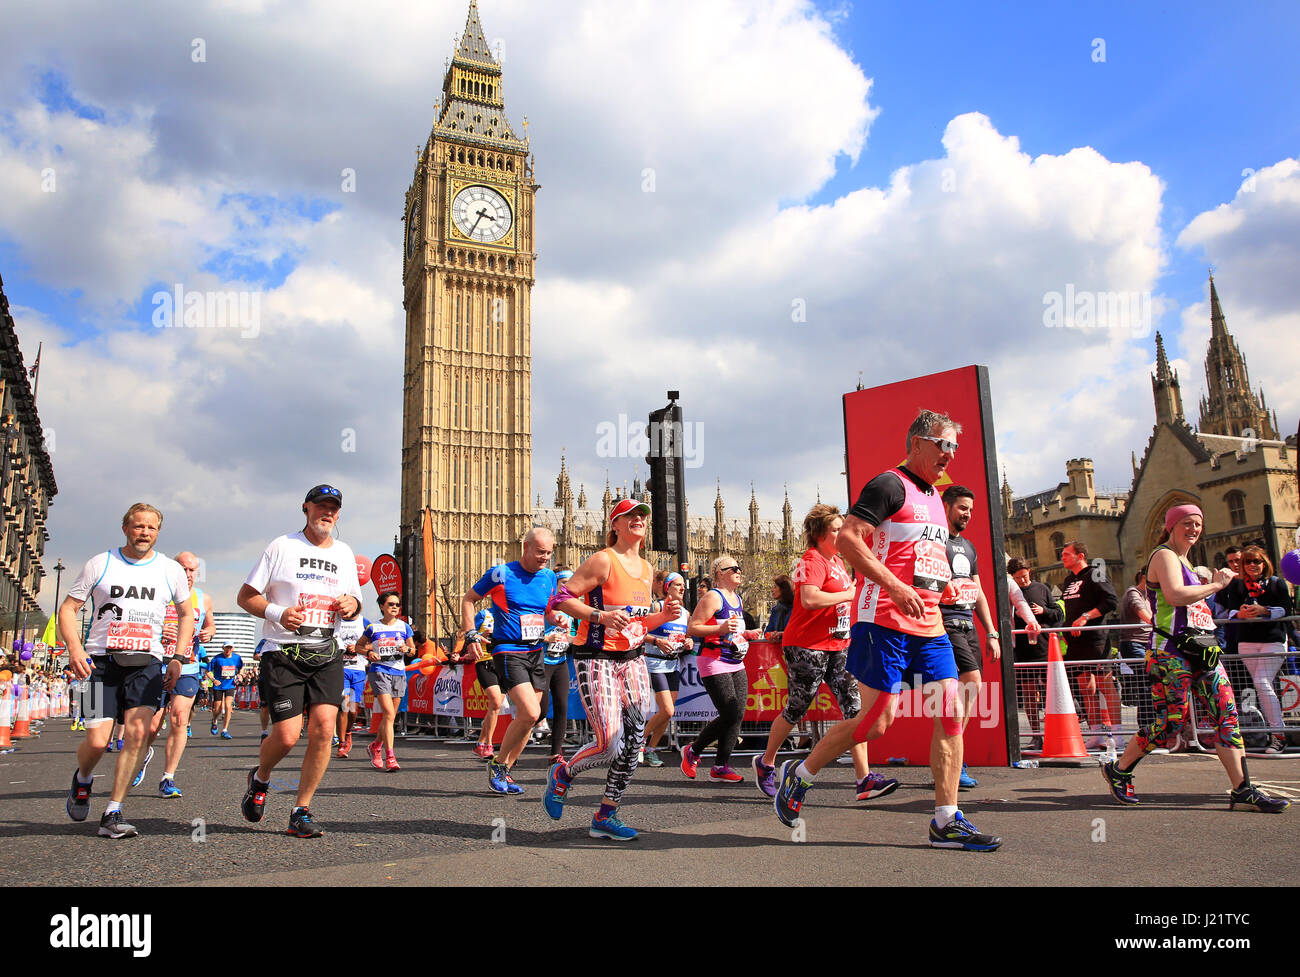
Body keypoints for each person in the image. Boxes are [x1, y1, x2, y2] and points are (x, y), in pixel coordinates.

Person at [772, 409, 1002, 850]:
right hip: (883, 622)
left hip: (929, 623)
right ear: (916, 442)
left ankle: (945, 819)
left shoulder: (936, 497)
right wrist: (894, 586)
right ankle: (799, 775)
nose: (949, 453)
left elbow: (921, 558)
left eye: (955, 445)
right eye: (943, 444)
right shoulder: (889, 484)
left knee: (952, 709)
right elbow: (849, 539)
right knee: (876, 723)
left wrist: (944, 586)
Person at [1101, 505, 1289, 812]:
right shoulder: (1163, 556)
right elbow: (1174, 595)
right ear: (1171, 526)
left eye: (1198, 524)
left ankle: (1242, 789)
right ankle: (1119, 769)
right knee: (1171, 722)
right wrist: (1216, 585)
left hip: (1203, 650)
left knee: (1226, 715)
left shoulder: (1188, 561)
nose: (1194, 529)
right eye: (1187, 523)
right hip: (1170, 652)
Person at [544, 498, 682, 840]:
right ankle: (564, 774)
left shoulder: (648, 570)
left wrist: (662, 618)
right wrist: (598, 616)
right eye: (630, 515)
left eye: (642, 516)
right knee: (608, 741)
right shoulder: (602, 561)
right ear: (615, 525)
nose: (638, 520)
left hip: (633, 659)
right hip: (596, 658)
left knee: (635, 741)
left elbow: (635, 624)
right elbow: (560, 600)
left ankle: (606, 814)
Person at [58, 502, 194, 839]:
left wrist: (177, 656)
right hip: (99, 662)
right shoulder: (100, 563)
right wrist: (75, 649)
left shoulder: (169, 570)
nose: (144, 532)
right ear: (126, 529)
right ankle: (83, 779)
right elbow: (68, 609)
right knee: (97, 739)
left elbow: (187, 613)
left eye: (151, 527)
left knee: (136, 734)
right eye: (138, 526)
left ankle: (113, 811)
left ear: (158, 532)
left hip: (147, 662)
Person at [236, 484, 363, 838]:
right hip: (284, 651)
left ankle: (301, 810)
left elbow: (355, 600)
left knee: (324, 730)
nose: (328, 513)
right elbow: (245, 596)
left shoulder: (344, 552)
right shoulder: (282, 546)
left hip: (327, 651)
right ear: (305, 509)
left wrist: (353, 605)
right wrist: (277, 612)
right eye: (321, 506)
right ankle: (260, 777)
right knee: (288, 736)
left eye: (333, 508)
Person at [754, 504, 897, 802]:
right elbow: (808, 598)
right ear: (819, 534)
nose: (841, 533)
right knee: (798, 706)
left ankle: (864, 779)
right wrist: (848, 594)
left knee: (854, 709)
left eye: (842, 528)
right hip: (807, 645)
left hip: (838, 645)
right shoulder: (811, 559)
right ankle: (766, 762)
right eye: (834, 529)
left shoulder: (838, 563)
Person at [461, 528, 559, 794]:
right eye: (540, 552)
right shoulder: (501, 573)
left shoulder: (549, 577)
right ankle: (498, 763)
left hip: (536, 651)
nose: (545, 558)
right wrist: (470, 632)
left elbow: (547, 610)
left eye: (549, 553)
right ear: (525, 547)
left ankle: (504, 768)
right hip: (508, 650)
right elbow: (469, 599)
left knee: (530, 718)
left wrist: (556, 618)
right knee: (530, 712)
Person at [131, 551, 215, 797]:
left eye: (193, 570)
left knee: (179, 717)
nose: (188, 574)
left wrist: (209, 632)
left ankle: (168, 777)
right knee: (152, 724)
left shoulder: (203, 598)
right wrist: (158, 630)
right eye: (184, 569)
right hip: (156, 664)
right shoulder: (158, 592)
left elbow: (210, 625)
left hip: (187, 666)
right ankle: (142, 757)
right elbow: (138, 623)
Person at [938, 485, 1000, 790]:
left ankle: (950, 757)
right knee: (971, 681)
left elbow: (978, 593)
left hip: (968, 624)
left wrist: (991, 631)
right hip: (945, 622)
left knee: (967, 694)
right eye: (963, 508)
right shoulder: (935, 542)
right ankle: (952, 760)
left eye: (971, 510)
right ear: (947, 506)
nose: (967, 514)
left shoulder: (969, 548)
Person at [679, 555, 761, 783]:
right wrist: (721, 626)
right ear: (719, 573)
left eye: (739, 567)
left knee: (737, 715)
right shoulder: (712, 597)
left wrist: (747, 634)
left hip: (735, 661)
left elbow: (732, 631)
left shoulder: (737, 599)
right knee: (730, 712)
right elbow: (693, 628)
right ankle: (693, 750)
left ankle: (721, 766)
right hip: (713, 660)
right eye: (733, 568)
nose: (739, 570)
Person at [1217, 545, 1292, 754]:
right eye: (1247, 562)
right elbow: (1228, 611)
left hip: (1273, 640)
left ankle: (1279, 735)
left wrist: (1264, 611)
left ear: (1264, 563)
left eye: (1256, 561)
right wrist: (1240, 614)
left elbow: (1286, 609)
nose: (1252, 565)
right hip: (1247, 641)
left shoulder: (1277, 584)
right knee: (1261, 686)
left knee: (1262, 682)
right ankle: (1272, 734)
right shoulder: (1237, 586)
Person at [1059, 541, 1123, 752]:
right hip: (1075, 642)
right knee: (1086, 687)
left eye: (1067, 554)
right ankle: (1096, 733)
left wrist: (1086, 617)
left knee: (1106, 685)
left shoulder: (1094, 573)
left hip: (1095, 639)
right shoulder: (1069, 580)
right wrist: (1067, 629)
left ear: (1081, 555)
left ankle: (1118, 733)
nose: (1063, 557)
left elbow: (1110, 601)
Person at [357, 593, 415, 771]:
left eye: (397, 604)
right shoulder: (373, 628)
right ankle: (390, 756)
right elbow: (358, 646)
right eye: (391, 604)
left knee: (390, 717)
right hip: (379, 671)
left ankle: (375, 747)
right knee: (388, 713)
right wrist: (368, 653)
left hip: (399, 672)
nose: (395, 607)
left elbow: (413, 651)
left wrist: (407, 649)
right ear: (382, 606)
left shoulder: (404, 627)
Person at [1008, 558, 1060, 749]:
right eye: (1017, 578)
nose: (1021, 581)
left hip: (1044, 648)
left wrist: (1043, 610)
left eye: (1024, 576)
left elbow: (1058, 614)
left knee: (1050, 692)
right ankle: (1036, 735)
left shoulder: (1042, 589)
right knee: (1029, 695)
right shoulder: (1010, 590)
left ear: (1029, 571)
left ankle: (1054, 732)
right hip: (1022, 650)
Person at [642, 571, 689, 768]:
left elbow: (688, 636)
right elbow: (638, 630)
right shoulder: (656, 606)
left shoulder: (686, 613)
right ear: (667, 587)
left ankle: (651, 750)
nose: (682, 588)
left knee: (666, 712)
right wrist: (656, 641)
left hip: (673, 664)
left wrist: (688, 641)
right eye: (677, 585)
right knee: (668, 710)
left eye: (683, 585)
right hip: (654, 662)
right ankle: (636, 743)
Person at [538, 568, 576, 766]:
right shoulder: (545, 608)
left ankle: (556, 753)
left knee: (562, 707)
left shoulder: (572, 611)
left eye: (571, 583)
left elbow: (574, 637)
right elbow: (530, 636)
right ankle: (515, 743)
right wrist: (547, 637)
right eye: (564, 583)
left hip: (560, 661)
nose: (567, 586)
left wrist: (571, 639)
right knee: (540, 711)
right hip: (542, 662)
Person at [1118, 569, 1158, 745]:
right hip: (1133, 643)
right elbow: (1140, 610)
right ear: (1144, 577)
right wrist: (1156, 623)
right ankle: (1146, 727)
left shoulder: (1153, 595)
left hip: (1149, 643)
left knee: (1150, 681)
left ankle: (1149, 726)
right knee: (1147, 680)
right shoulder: (1134, 592)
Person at [465, 607, 504, 759]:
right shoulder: (484, 614)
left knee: (495, 707)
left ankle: (480, 744)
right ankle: (489, 744)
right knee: (495, 702)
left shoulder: (511, 613)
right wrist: (481, 635)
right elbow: (468, 635)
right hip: (484, 661)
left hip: (503, 662)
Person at [335, 610, 366, 758]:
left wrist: (358, 648)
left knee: (353, 711)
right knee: (344, 706)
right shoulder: (335, 621)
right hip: (341, 670)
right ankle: (341, 744)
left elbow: (374, 644)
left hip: (358, 670)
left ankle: (348, 731)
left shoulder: (364, 622)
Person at [208, 643, 243, 738]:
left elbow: (240, 669)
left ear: (233, 648)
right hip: (218, 686)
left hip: (230, 685)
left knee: (228, 706)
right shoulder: (217, 658)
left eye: (230, 647)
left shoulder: (237, 658)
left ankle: (224, 730)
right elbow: (208, 671)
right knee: (217, 709)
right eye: (226, 647)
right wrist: (214, 680)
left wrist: (240, 676)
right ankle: (214, 720)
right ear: (223, 648)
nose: (228, 649)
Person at [764, 575, 794, 643]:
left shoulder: (797, 608)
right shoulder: (775, 610)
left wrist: (783, 634)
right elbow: (767, 633)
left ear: (784, 589)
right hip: (777, 650)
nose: (772, 590)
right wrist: (771, 635)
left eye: (775, 587)